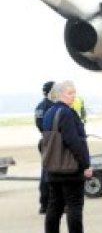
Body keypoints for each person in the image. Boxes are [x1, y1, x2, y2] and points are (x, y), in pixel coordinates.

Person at [42, 81, 95, 233]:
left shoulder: (49, 113)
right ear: (58, 95)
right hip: (69, 167)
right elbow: (74, 141)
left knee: (54, 206)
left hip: (53, 166)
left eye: (74, 93)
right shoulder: (66, 113)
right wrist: (85, 165)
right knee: (74, 205)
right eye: (70, 93)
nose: (73, 96)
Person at [35, 80, 55, 215]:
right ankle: (49, 204)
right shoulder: (51, 107)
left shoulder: (40, 107)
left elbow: (39, 124)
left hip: (45, 140)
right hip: (52, 142)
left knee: (46, 173)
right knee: (52, 173)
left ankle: (44, 204)